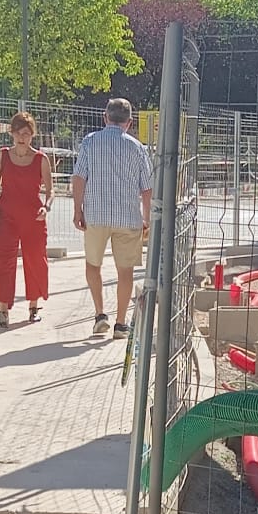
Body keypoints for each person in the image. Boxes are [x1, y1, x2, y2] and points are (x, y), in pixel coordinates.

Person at [71, 97, 153, 339]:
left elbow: (79, 177)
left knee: (93, 265)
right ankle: (120, 323)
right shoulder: (137, 148)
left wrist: (78, 209)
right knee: (125, 271)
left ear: (105, 118)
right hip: (128, 218)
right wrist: (146, 218)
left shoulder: (90, 142)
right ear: (129, 122)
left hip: (95, 216)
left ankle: (99, 315)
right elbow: (147, 188)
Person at [0, 112, 51, 327]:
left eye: (27, 134)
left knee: (35, 260)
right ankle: (3, 310)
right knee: (5, 261)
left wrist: (46, 207)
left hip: (34, 217)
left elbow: (50, 191)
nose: (22, 138)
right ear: (11, 133)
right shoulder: (2, 155)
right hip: (6, 216)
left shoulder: (41, 159)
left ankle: (33, 307)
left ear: (32, 135)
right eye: (18, 133)